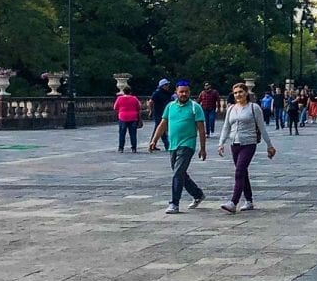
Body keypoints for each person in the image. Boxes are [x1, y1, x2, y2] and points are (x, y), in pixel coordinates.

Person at [148, 80, 207, 214]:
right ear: (176, 92)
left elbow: (201, 130)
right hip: (172, 144)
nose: (184, 94)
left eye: (186, 91)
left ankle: (174, 203)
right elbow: (163, 124)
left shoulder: (195, 107)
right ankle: (197, 194)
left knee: (178, 173)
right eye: (181, 91)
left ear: (189, 92)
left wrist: (202, 148)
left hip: (187, 144)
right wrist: (154, 140)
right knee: (180, 173)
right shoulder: (170, 106)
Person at [217, 82, 277, 213]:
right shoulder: (231, 109)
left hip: (249, 143)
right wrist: (221, 143)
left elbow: (262, 127)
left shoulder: (253, 108)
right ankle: (249, 200)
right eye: (236, 92)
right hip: (235, 143)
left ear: (246, 93)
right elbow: (226, 126)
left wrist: (269, 145)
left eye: (240, 92)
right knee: (242, 172)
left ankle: (233, 202)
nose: (238, 95)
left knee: (239, 171)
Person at [115, 84, 142, 153]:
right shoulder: (134, 98)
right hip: (133, 117)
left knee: (122, 133)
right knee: (133, 133)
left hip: (123, 117)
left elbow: (115, 107)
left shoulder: (119, 98)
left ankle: (121, 148)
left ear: (123, 92)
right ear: (130, 92)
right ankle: (134, 148)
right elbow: (139, 108)